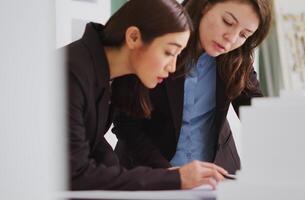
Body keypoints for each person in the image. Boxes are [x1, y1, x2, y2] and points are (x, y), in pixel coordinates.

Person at [66, 0, 228, 191]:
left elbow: (93, 146)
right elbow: (76, 174)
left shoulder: (105, 76)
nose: (173, 67)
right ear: (133, 37)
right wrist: (175, 178)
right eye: (169, 52)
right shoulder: (73, 71)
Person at [113, 0, 272, 174]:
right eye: (227, 22)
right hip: (148, 172)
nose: (232, 38)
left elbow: (258, 114)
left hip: (216, 176)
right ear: (206, 5)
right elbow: (125, 122)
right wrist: (169, 173)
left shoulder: (237, 59)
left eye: (244, 34)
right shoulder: (156, 37)